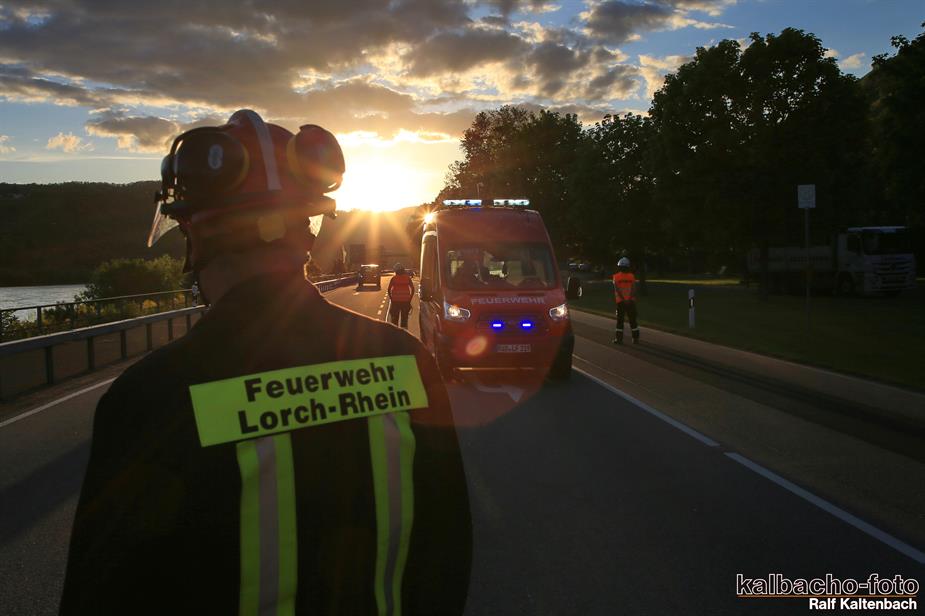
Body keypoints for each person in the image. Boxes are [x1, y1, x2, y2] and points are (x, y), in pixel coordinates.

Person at [60, 110, 472, 615]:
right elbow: (446, 558)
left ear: (196, 237)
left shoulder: (151, 396)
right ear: (307, 231)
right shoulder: (406, 361)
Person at [612, 256, 640, 344]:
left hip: (620, 302)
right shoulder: (631, 276)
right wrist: (629, 299)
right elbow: (634, 289)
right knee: (633, 320)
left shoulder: (616, 276)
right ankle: (635, 339)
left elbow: (617, 290)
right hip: (631, 301)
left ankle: (619, 339)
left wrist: (624, 299)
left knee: (620, 321)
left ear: (619, 266)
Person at [388, 263, 415, 329]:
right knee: (404, 320)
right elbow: (413, 289)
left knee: (394, 321)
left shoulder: (393, 278)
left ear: (396, 271)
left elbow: (389, 289)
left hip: (395, 302)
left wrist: (392, 299)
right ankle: (403, 333)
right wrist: (409, 300)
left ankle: (394, 333)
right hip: (405, 302)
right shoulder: (407, 278)